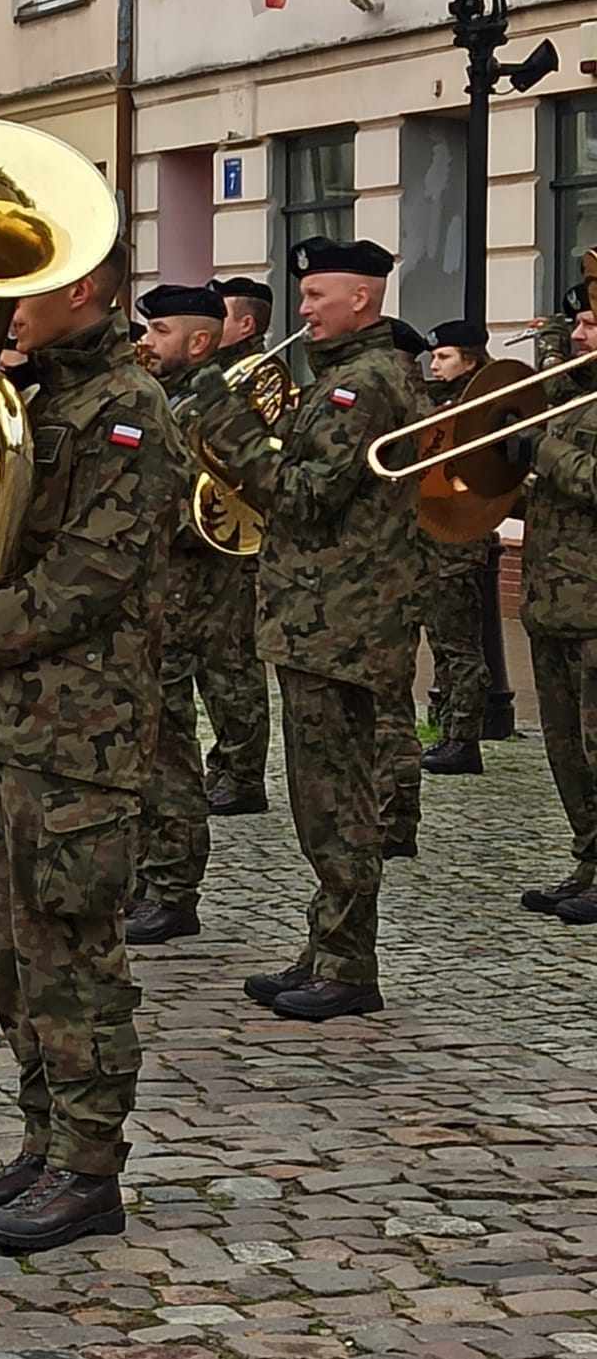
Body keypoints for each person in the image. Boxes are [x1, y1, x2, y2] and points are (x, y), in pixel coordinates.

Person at [0, 242, 174, 1253]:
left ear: (80, 292)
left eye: (22, 292)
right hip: (5, 717)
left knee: (72, 948)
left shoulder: (127, 408)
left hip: (79, 728)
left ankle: (88, 1167)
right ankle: (40, 1139)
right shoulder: (31, 395)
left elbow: (84, 581)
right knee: (14, 951)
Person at [188, 236, 429, 1021]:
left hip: (337, 620)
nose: (305, 310)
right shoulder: (350, 379)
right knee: (324, 794)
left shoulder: (362, 386)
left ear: (361, 299)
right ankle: (330, 942)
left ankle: (349, 961)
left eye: (318, 296)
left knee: (334, 799)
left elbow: (303, 495)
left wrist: (228, 425)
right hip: (327, 618)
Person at [128, 283, 227, 945]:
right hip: (150, 590)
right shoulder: (166, 396)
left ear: (198, 339)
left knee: (168, 749)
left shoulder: (220, 405)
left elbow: (219, 507)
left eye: (160, 331)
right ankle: (140, 874)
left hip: (188, 594)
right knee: (141, 743)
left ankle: (173, 885)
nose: (147, 342)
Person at [513, 295, 597, 923]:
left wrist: (540, 448)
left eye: (592, 324)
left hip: (594, 607)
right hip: (550, 600)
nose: (579, 335)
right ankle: (590, 861)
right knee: (566, 751)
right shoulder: (568, 398)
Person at [199, 276, 277, 815]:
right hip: (201, 536)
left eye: (220, 314)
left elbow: (257, 456)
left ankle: (243, 770)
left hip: (235, 540)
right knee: (209, 665)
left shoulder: (260, 377)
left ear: (245, 324)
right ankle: (223, 762)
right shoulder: (209, 377)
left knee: (233, 664)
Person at [416, 319, 493, 777]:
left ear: (470, 359)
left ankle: (463, 738)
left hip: (458, 539)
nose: (435, 364)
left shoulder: (481, 404)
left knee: (460, 646)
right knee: (443, 644)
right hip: (433, 537)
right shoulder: (440, 400)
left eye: (444, 357)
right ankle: (445, 730)